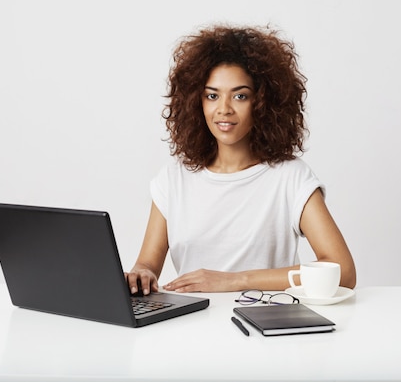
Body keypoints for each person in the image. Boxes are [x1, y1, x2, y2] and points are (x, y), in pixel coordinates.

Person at [126, 25, 356, 295]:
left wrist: (237, 280)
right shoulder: (173, 179)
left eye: (240, 96)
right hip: (190, 328)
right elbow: (147, 265)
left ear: (262, 102)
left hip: (267, 326)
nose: (224, 109)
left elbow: (342, 271)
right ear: (196, 103)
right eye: (212, 95)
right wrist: (141, 274)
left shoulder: (290, 177)